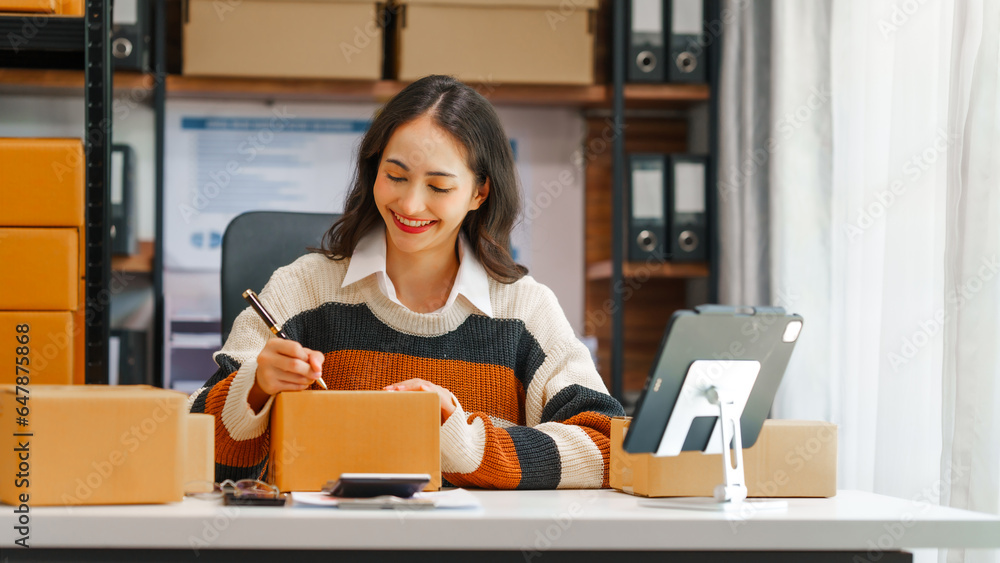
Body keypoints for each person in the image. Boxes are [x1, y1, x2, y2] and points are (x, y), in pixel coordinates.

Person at [188, 74, 624, 489]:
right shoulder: (303, 289)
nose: (411, 203)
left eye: (439, 186)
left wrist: (461, 440)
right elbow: (194, 442)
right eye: (395, 176)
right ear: (374, 169)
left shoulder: (525, 310)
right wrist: (255, 390)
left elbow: (607, 447)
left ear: (479, 192)